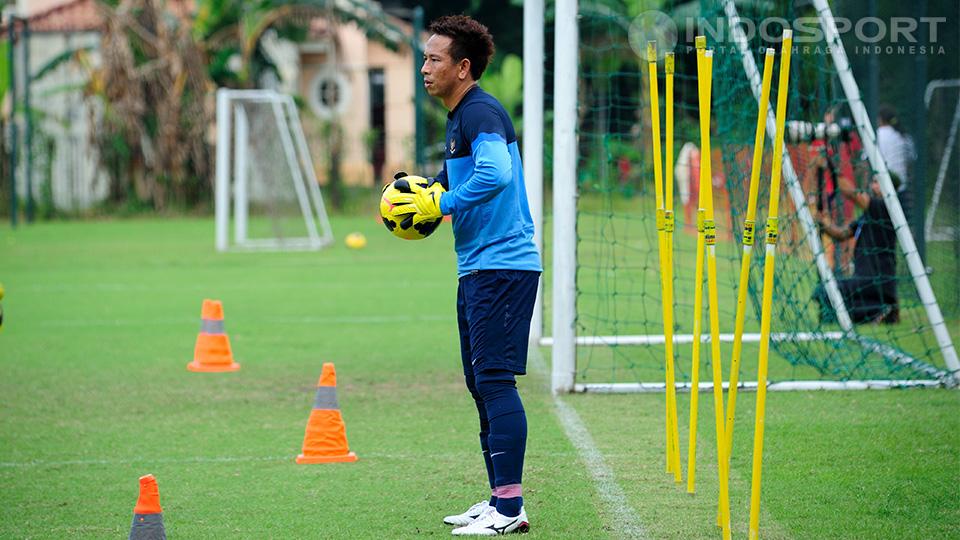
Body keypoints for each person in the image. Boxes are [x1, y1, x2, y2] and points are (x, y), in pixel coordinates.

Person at [383, 15, 540, 536]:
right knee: (480, 382)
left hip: (502, 266)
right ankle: (498, 498)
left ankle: (511, 509)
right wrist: (418, 193)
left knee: (494, 380)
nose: (424, 67)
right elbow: (456, 177)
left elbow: (498, 173)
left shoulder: (480, 111)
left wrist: (443, 202)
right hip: (479, 267)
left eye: (434, 59)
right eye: (424, 58)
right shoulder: (460, 118)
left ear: (463, 67)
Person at [813, 172, 900, 325]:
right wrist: (823, 222)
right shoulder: (867, 215)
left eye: (877, 182)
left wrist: (833, 171)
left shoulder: (887, 208)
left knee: (825, 291)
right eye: (873, 182)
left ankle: (881, 310)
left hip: (877, 280)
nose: (873, 186)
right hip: (863, 281)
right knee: (835, 299)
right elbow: (841, 234)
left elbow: (854, 195)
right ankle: (881, 310)